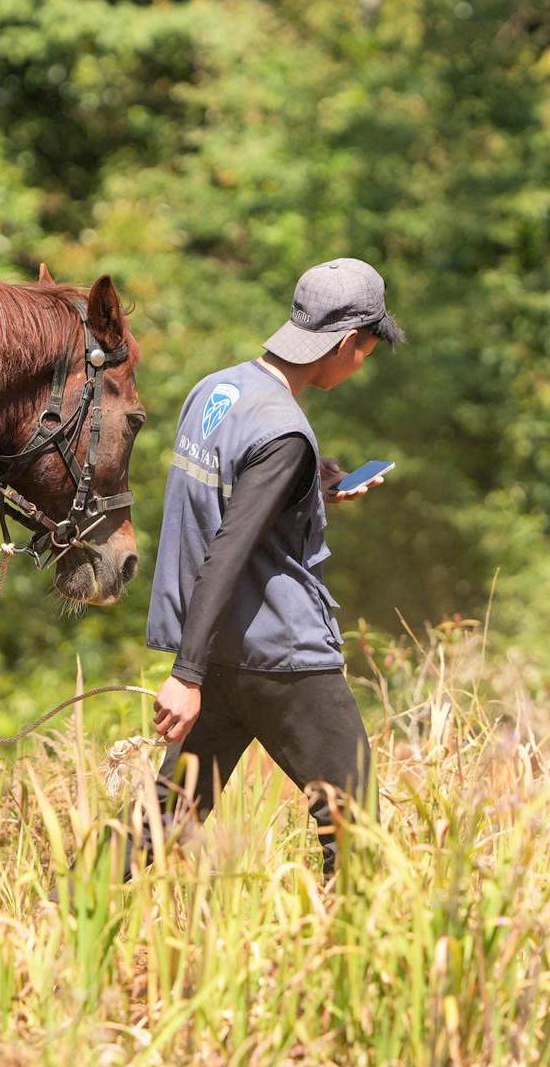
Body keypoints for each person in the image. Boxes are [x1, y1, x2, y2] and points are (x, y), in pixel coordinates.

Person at [133, 257, 405, 875]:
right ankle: (348, 967)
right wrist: (185, 675)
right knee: (356, 833)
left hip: (221, 651)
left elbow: (232, 491)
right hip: (280, 655)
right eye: (366, 349)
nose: (362, 362)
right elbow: (230, 545)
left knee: (164, 822)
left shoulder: (221, 388)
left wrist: (320, 483)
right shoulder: (285, 432)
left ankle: (67, 920)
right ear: (345, 341)